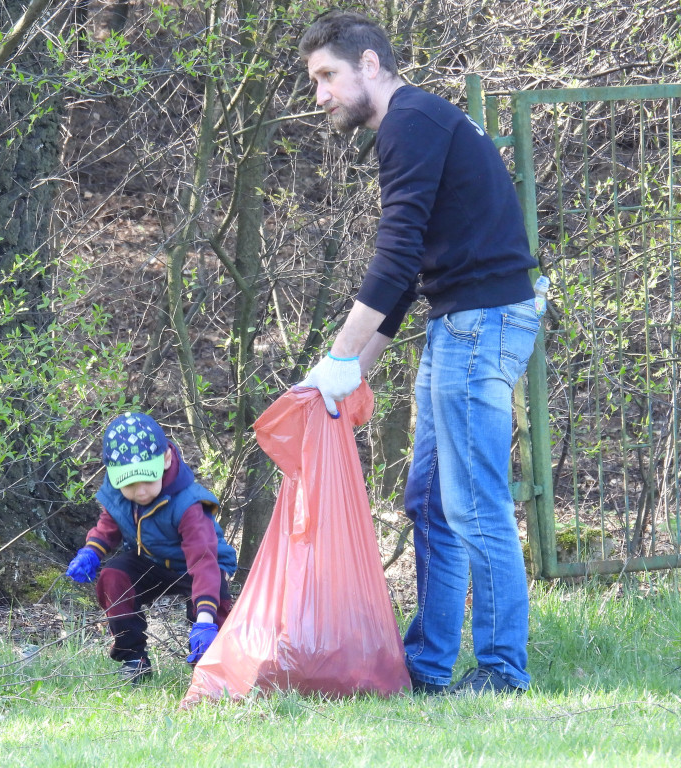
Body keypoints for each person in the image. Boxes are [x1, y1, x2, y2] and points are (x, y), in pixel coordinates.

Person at [297, 10, 541, 695]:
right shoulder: (416, 126)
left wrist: (343, 355)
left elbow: (398, 250)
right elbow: (409, 271)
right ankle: (428, 666)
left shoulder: (411, 123)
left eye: (327, 77)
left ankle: (500, 668)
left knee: (474, 504)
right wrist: (353, 367)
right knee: (431, 501)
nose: (319, 95)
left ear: (370, 65)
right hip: (461, 318)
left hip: (481, 321)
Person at [65, 412, 237, 682]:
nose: (141, 491)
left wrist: (205, 620)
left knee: (210, 602)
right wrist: (91, 551)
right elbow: (109, 525)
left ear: (166, 459)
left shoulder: (188, 505)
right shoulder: (117, 493)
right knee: (114, 576)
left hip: (199, 565)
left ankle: (211, 667)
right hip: (151, 562)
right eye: (130, 484)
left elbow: (203, 562)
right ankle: (134, 658)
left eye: (148, 479)